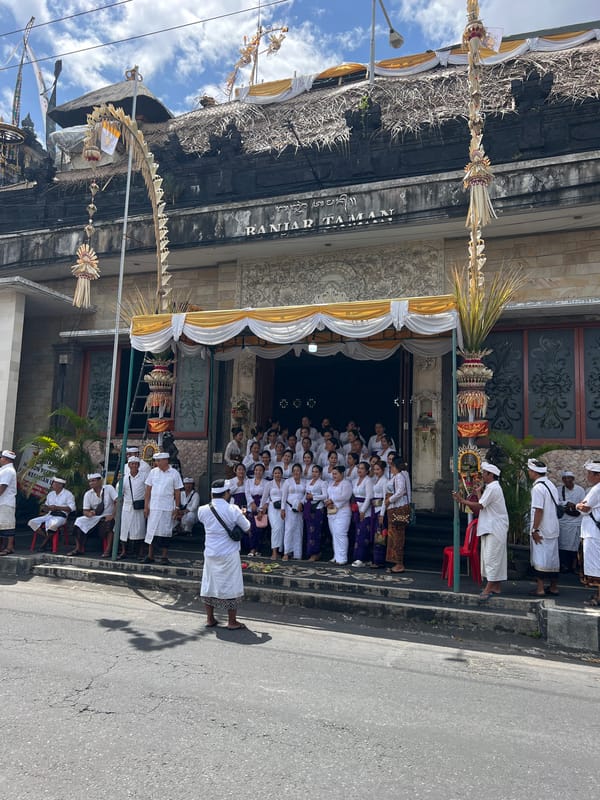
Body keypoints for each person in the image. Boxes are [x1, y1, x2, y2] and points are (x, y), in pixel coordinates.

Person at [197, 479, 251, 629]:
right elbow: (247, 527)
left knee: (209, 584)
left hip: (211, 552)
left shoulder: (202, 510)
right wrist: (243, 514)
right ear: (226, 493)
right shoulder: (233, 509)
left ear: (212, 493)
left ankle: (210, 618)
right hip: (229, 553)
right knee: (231, 585)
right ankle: (232, 621)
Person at [452, 462, 508, 601]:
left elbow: (480, 505)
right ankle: (496, 586)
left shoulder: (493, 488)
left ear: (491, 475)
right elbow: (483, 503)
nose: (482, 475)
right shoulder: (491, 488)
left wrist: (462, 500)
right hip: (492, 526)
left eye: (484, 473)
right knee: (493, 557)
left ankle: (489, 587)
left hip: (494, 527)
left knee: (492, 558)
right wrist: (478, 493)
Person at [527, 458, 560, 597]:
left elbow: (538, 510)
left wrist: (534, 529)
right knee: (552, 558)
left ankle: (540, 588)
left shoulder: (538, 488)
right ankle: (553, 587)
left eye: (529, 470)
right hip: (552, 528)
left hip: (542, 529)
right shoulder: (551, 485)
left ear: (534, 472)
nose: (528, 472)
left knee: (540, 558)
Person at [143, 452, 183, 565]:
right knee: (151, 531)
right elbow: (148, 490)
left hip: (167, 507)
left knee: (165, 532)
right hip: (154, 507)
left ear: (165, 460)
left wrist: (177, 506)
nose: (157, 463)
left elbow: (177, 491)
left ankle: (164, 556)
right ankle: (150, 555)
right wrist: (146, 506)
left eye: (158, 461)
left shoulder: (174, 473)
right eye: (156, 461)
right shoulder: (153, 472)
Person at [70, 473, 118, 557]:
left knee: (110, 524)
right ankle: (78, 548)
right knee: (78, 522)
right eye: (90, 481)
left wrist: (113, 515)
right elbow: (85, 511)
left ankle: (108, 549)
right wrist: (89, 514)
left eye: (93, 481)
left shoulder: (109, 488)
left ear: (100, 481)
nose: (91, 483)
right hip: (96, 517)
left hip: (109, 515)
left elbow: (117, 501)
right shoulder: (88, 494)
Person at [28, 476, 76, 550]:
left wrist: (57, 507)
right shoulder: (51, 494)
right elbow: (47, 506)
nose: (52, 484)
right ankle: (48, 539)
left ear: (60, 485)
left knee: (52, 526)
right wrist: (45, 508)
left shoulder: (68, 494)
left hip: (61, 516)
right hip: (50, 514)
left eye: (54, 483)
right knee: (32, 522)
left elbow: (72, 508)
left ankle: (44, 544)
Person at [576, 461, 600, 607]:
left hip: (593, 533)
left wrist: (578, 505)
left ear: (597, 475)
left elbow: (584, 507)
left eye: (590, 473)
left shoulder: (597, 489)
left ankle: (598, 597)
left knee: (596, 566)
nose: (588, 476)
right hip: (595, 532)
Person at [383, 456, 410, 573]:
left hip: (398, 508)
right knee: (394, 535)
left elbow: (400, 491)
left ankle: (399, 562)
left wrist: (390, 500)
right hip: (394, 508)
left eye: (392, 466)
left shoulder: (400, 477)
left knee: (398, 536)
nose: (391, 469)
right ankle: (395, 561)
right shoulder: (397, 477)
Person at [556, 470, 585, 573]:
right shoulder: (559, 490)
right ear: (563, 480)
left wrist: (575, 506)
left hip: (576, 521)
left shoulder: (580, 490)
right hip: (564, 522)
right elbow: (557, 501)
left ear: (573, 479)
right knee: (563, 544)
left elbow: (583, 503)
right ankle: (564, 565)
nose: (567, 480)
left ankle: (574, 566)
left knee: (575, 545)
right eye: (565, 478)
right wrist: (567, 503)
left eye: (569, 478)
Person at [118, 457, 146, 559]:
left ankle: (140, 552)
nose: (134, 466)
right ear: (129, 465)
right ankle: (124, 551)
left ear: (138, 465)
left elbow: (147, 491)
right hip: (127, 506)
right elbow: (119, 492)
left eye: (136, 464)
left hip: (139, 507)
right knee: (125, 530)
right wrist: (119, 481)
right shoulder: (125, 478)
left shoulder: (144, 477)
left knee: (140, 530)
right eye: (132, 464)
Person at [325, 465, 353, 565]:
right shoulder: (331, 483)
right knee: (335, 534)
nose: (334, 475)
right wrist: (328, 501)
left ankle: (342, 558)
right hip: (331, 511)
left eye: (336, 473)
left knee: (341, 533)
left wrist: (333, 501)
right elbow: (327, 495)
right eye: (333, 474)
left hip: (342, 511)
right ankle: (336, 556)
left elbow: (345, 497)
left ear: (342, 474)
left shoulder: (346, 483)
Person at [351, 461, 374, 567]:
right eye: (358, 468)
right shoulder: (355, 480)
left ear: (367, 471)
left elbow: (369, 497)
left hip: (365, 511)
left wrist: (363, 511)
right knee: (357, 533)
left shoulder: (368, 481)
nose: (359, 470)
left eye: (362, 468)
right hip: (357, 509)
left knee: (363, 534)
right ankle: (358, 557)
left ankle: (362, 558)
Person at [281, 463, 305, 560]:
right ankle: (287, 552)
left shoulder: (304, 482)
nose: (296, 472)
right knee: (289, 529)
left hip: (300, 509)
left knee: (298, 530)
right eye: (294, 471)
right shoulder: (287, 482)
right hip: (289, 508)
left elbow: (306, 494)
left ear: (301, 472)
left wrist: (302, 503)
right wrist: (282, 509)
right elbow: (284, 496)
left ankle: (297, 554)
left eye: (298, 470)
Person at [303, 464, 327, 561]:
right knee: (309, 530)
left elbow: (325, 496)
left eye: (316, 472)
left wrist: (314, 497)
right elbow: (305, 494)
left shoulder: (323, 483)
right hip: (308, 507)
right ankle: (309, 552)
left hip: (317, 508)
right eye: (313, 471)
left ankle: (316, 553)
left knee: (316, 531)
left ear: (320, 473)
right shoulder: (308, 482)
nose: (314, 473)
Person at [261, 465, 285, 559]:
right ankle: (274, 551)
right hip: (272, 507)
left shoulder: (285, 483)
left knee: (282, 529)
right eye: (275, 473)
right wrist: (261, 508)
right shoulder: (269, 484)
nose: (277, 475)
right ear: (273, 474)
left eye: (279, 473)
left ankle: (280, 550)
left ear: (282, 474)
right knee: (276, 528)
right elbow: (264, 497)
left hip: (283, 507)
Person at [245, 462, 268, 556]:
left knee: (260, 528)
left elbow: (267, 496)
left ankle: (258, 549)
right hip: (251, 506)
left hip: (261, 505)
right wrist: (252, 503)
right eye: (256, 470)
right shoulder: (249, 481)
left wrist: (262, 509)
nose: (258, 472)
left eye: (260, 470)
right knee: (252, 527)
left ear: (263, 472)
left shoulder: (266, 483)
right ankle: (252, 548)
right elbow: (247, 493)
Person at [370, 460, 388, 568]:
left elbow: (385, 497)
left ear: (383, 470)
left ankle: (379, 560)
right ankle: (375, 558)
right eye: (375, 469)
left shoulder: (384, 481)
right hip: (375, 508)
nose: (376, 471)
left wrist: (382, 513)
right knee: (376, 534)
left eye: (378, 469)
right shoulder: (377, 479)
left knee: (380, 535)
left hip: (380, 509)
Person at [0, 450, 18, 555]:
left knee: (9, 525)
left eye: (1, 457)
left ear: (5, 459)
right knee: (2, 525)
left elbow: (3, 487)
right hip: (2, 502)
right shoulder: (4, 470)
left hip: (6, 502)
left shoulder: (8, 471)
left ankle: (10, 547)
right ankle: (3, 547)